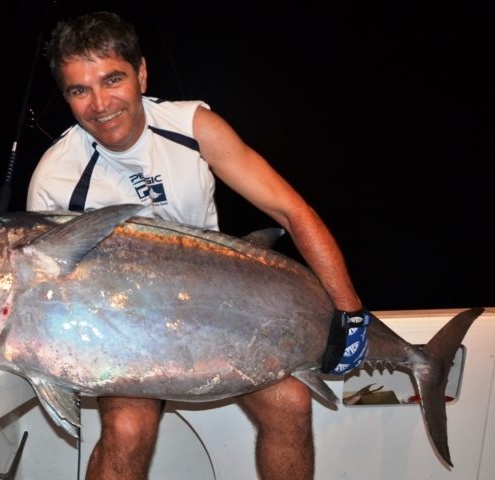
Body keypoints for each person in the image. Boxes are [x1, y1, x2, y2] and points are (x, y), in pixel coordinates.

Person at [26, 11, 365, 480]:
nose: (100, 104)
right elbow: (32, 293)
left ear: (141, 74)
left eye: (113, 79)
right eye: (79, 90)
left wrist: (350, 312)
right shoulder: (55, 177)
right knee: (127, 425)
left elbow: (292, 211)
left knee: (290, 401)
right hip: (123, 333)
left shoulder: (193, 126)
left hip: (217, 317)